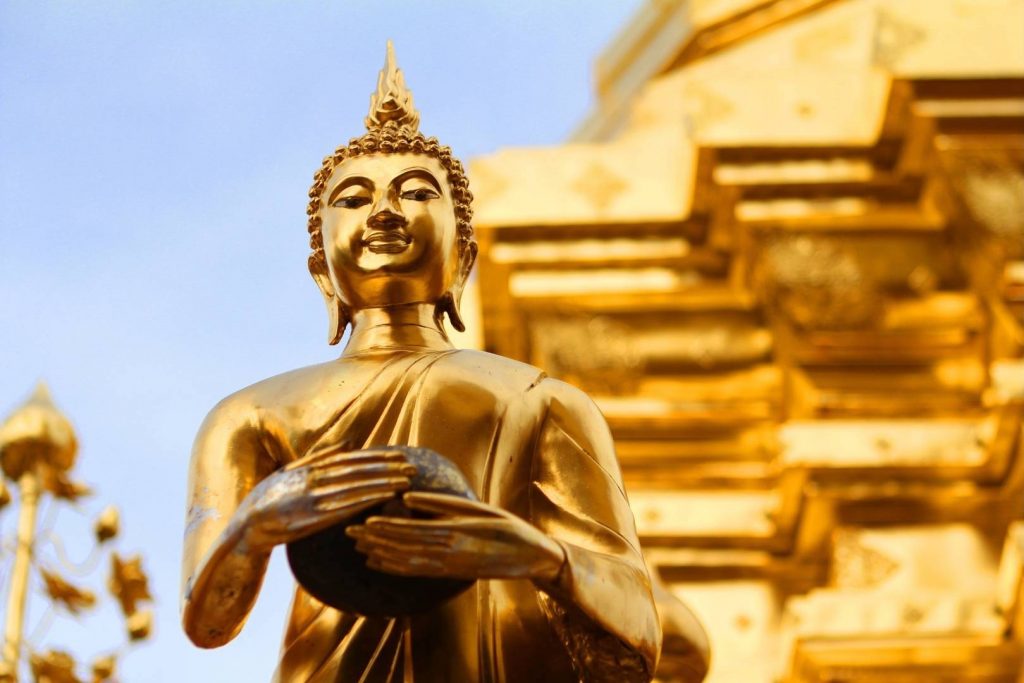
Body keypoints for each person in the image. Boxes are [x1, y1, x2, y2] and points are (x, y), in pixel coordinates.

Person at [181, 43, 662, 682]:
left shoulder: (540, 399)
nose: (383, 212)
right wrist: (255, 525)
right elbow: (207, 622)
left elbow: (640, 632)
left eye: (414, 193)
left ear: (463, 259)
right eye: (352, 199)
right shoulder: (250, 415)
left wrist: (539, 556)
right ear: (321, 271)